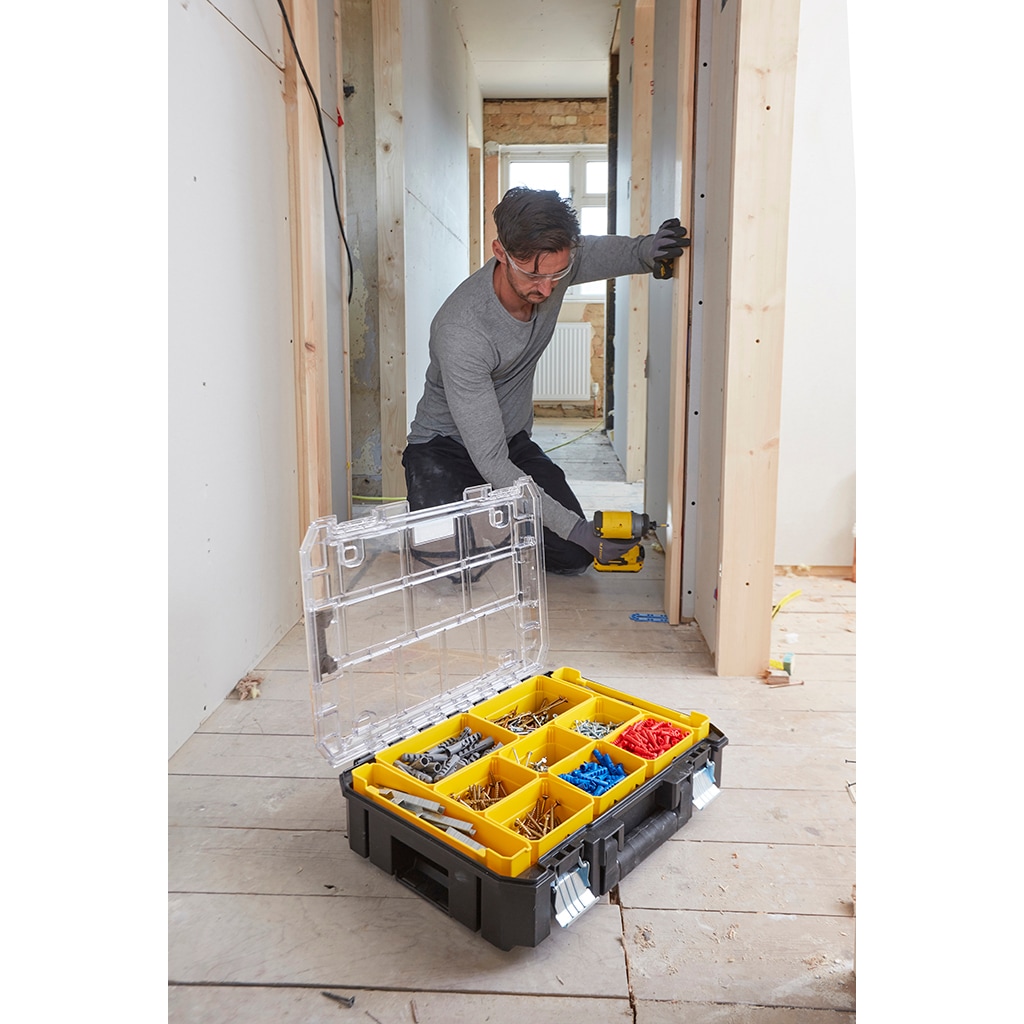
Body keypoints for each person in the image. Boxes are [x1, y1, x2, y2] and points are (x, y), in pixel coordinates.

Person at [402, 186, 690, 575]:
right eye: (535, 276)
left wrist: (646, 250)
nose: (547, 288)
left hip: (510, 444)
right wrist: (576, 528)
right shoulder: (462, 331)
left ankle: (496, 515)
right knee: (449, 564)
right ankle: (479, 518)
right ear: (500, 252)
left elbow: (600, 253)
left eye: (558, 274)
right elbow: (489, 459)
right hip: (443, 450)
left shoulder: (551, 269)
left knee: (574, 555)